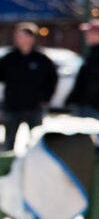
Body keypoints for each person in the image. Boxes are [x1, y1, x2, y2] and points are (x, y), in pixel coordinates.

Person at [0, 22, 58, 151]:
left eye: (21, 36)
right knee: (9, 142)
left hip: (35, 106)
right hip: (13, 106)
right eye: (16, 36)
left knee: (36, 142)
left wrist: (46, 98)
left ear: (31, 38)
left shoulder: (42, 59)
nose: (17, 39)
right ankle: (7, 169)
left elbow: (52, 80)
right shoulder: (9, 58)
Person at [66, 18, 99, 121]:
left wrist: (80, 100)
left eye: (89, 33)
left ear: (98, 34)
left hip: (91, 107)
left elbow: (93, 83)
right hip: (98, 105)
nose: (86, 36)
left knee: (86, 136)